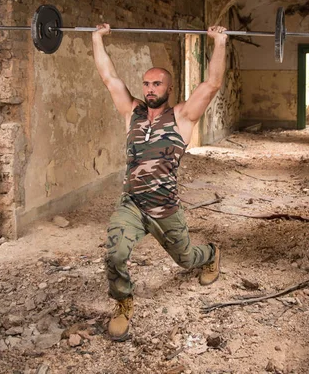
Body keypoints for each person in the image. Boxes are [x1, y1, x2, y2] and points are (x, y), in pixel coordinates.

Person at [92, 23, 228, 341]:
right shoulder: (132, 112)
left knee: (186, 259)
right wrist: (96, 38)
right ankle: (123, 303)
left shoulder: (182, 117)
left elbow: (211, 83)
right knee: (114, 253)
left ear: (169, 87)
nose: (150, 88)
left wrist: (219, 43)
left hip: (165, 208)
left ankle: (211, 253)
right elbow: (108, 77)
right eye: (146, 84)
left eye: (157, 84)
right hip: (133, 204)